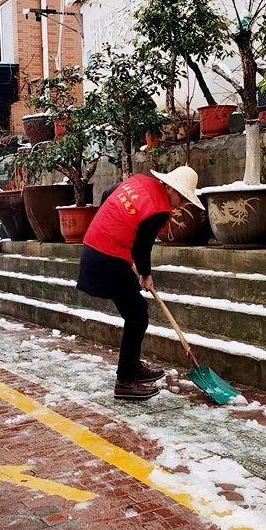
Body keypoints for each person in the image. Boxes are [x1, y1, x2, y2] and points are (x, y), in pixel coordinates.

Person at [77, 166, 202, 401]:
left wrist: (118, 225)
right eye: (182, 197)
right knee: (137, 315)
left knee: (135, 312)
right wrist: (145, 274)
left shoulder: (140, 182)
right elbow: (143, 245)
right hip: (107, 256)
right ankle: (125, 381)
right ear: (170, 187)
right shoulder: (159, 209)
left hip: (95, 246)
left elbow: (108, 193)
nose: (181, 204)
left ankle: (132, 367)